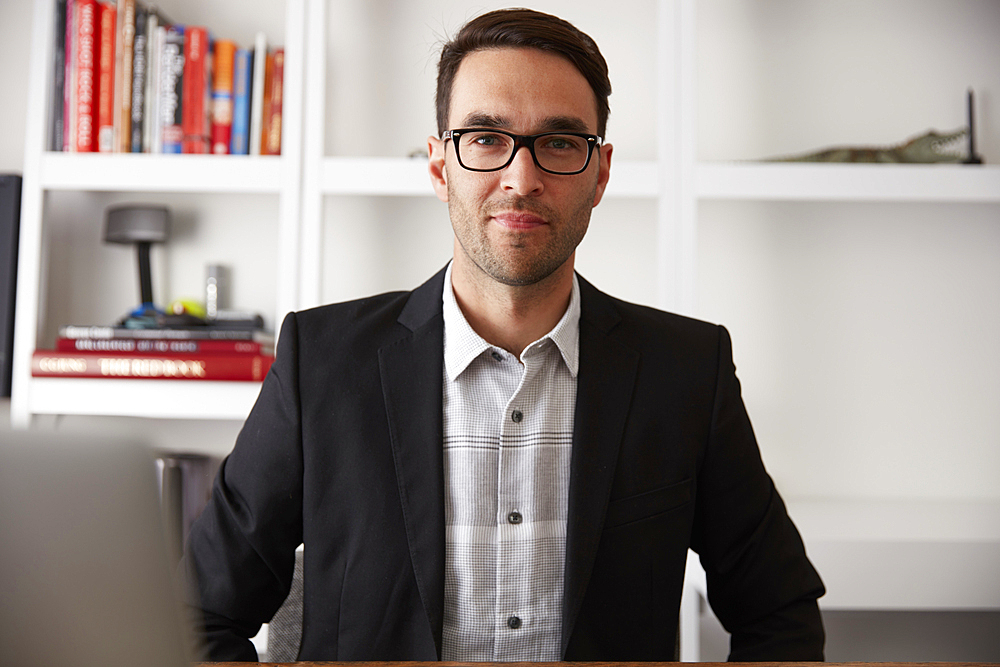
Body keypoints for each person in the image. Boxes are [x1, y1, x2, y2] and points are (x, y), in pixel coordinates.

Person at [182, 7, 825, 662]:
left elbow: (780, 613)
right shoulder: (320, 362)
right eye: (486, 139)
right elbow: (196, 617)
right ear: (440, 167)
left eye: (559, 142)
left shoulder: (686, 371)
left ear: (600, 173)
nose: (522, 179)